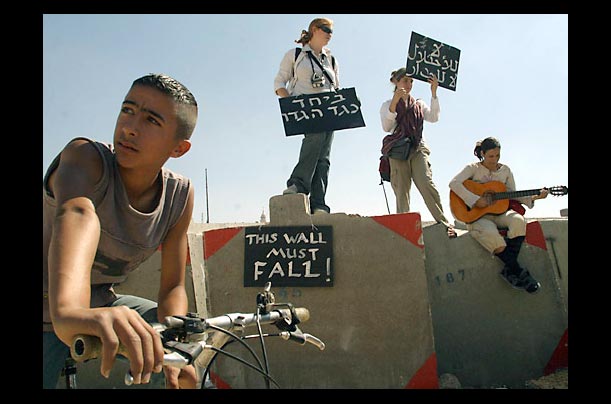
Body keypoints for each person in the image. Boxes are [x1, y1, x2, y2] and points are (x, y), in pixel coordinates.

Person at [43, 73, 199, 388]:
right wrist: (71, 312)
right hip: (60, 309)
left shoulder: (179, 195)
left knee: (173, 348)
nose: (129, 127)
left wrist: (175, 341)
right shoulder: (85, 158)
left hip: (98, 304)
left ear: (178, 148)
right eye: (127, 110)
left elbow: (172, 288)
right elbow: (78, 212)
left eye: (152, 121)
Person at [448, 137, 549, 294]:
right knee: (491, 235)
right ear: (482, 154)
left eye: (497, 156)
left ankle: (510, 270)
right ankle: (519, 272)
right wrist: (475, 200)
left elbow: (512, 194)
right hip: (477, 216)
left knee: (518, 220)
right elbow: (454, 183)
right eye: (490, 156)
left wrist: (535, 196)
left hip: (500, 212)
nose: (494, 160)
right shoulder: (472, 168)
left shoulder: (505, 171)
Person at [380, 67, 456, 238]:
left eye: (411, 81)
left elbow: (434, 117)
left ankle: (444, 223)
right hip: (398, 149)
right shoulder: (387, 104)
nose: (408, 84)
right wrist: (395, 101)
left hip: (417, 146)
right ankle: (403, 227)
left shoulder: (418, 104)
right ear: (396, 82)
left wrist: (434, 93)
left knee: (426, 182)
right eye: (405, 80)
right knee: (401, 190)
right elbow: (386, 127)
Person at [274, 17, 339, 214]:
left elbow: (336, 87)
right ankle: (298, 185)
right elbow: (279, 83)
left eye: (331, 31)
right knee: (315, 138)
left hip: (329, 111)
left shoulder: (332, 59)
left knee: (324, 157)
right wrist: (290, 105)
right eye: (326, 29)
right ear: (314, 29)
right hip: (306, 110)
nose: (329, 34)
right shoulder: (295, 54)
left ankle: (318, 203)